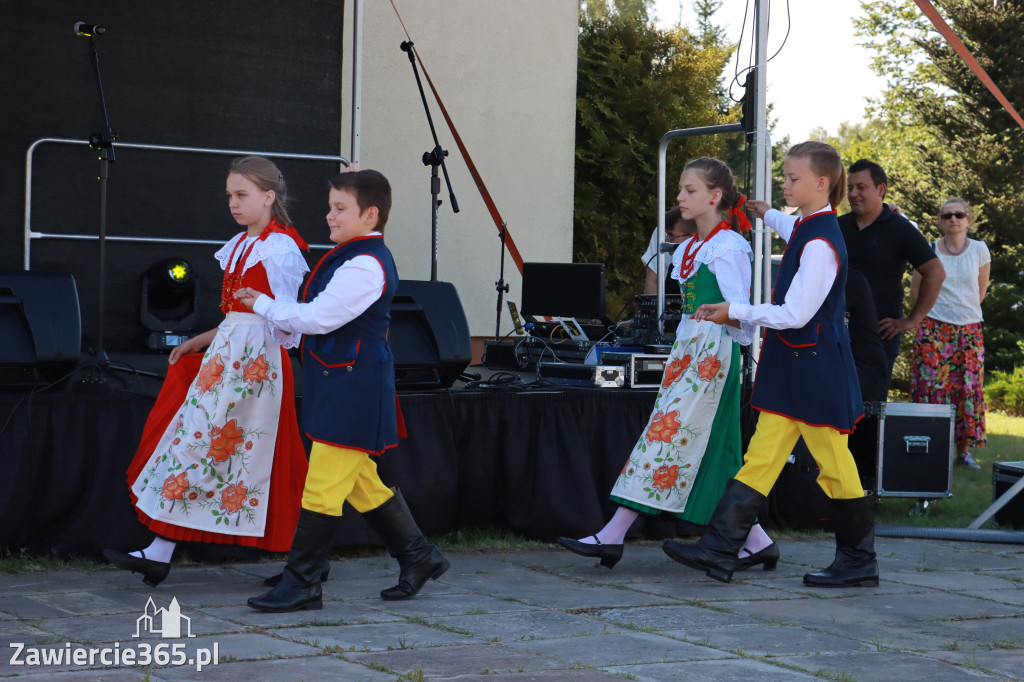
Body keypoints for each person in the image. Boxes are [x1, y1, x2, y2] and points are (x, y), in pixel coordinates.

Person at [664, 141, 876, 588]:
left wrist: (735, 311)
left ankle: (859, 561)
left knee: (834, 463)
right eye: (784, 176)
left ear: (821, 184)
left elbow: (794, 315)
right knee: (761, 457)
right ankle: (720, 549)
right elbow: (787, 223)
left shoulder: (821, 244)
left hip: (815, 372)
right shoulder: (806, 223)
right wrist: (762, 211)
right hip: (796, 368)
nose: (785, 183)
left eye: (793, 178)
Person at [239, 169, 448, 613]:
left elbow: (318, 318)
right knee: (360, 482)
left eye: (340, 208)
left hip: (354, 386)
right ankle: (418, 555)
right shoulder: (350, 256)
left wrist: (259, 303)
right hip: (341, 381)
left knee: (322, 488)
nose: (329, 216)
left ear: (370, 214)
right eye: (330, 206)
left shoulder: (367, 264)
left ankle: (302, 585)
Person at [557, 157, 778, 572]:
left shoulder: (729, 247)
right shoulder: (691, 247)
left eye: (689, 191)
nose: (679, 197)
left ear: (715, 197)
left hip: (713, 355)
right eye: (680, 189)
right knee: (709, 451)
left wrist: (719, 317)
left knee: (664, 438)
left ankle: (613, 534)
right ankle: (759, 542)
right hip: (691, 351)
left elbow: (744, 312)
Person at [103, 156, 311, 587]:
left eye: (242, 195)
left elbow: (288, 316)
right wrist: (202, 339)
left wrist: (256, 351)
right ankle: (160, 552)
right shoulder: (240, 245)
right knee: (198, 444)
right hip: (227, 358)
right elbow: (238, 313)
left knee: (231, 452)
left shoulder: (282, 248)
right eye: (230, 195)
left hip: (255, 367)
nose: (233, 203)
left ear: (268, 197)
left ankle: (307, 557)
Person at [839, 159, 945, 384]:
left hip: (880, 336)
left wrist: (912, 320)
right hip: (836, 334)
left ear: (881, 189)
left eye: (861, 187)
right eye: (850, 188)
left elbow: (935, 272)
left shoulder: (899, 228)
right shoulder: (837, 227)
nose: (854, 193)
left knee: (872, 410)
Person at [909, 198, 991, 470]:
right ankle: (927, 447)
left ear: (968, 219)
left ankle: (964, 453)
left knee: (966, 389)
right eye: (947, 216)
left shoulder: (980, 250)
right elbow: (915, 293)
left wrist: (961, 315)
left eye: (959, 215)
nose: (953, 219)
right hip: (933, 330)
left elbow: (979, 293)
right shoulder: (929, 250)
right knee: (930, 387)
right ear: (940, 220)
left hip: (968, 332)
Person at [642, 206, 694, 295]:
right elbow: (653, 279)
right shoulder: (672, 269)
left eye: (671, 235)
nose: (666, 241)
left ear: (692, 237)